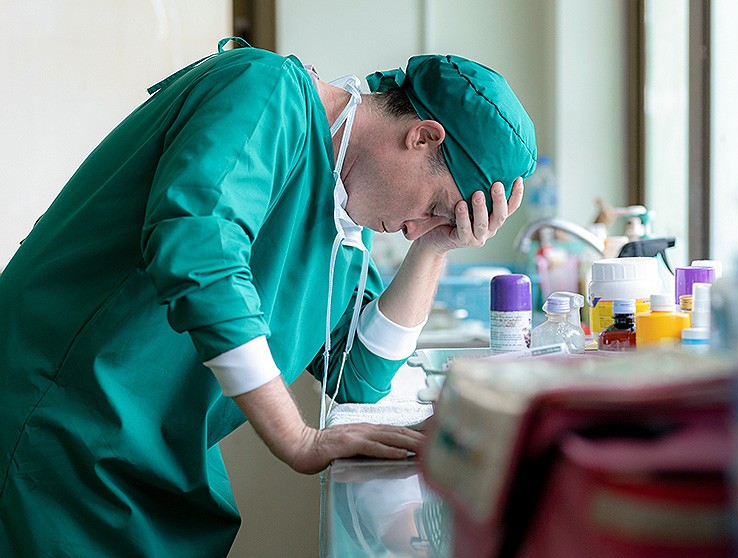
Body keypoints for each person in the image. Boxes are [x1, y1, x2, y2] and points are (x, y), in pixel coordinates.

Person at [0, 38, 537, 555]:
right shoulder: (264, 90)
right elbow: (198, 252)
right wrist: (295, 438)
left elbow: (358, 376)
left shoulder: (342, 218)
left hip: (150, 461)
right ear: (423, 137)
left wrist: (437, 250)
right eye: (437, 211)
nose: (416, 229)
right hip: (58, 432)